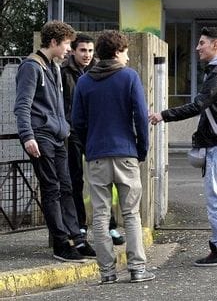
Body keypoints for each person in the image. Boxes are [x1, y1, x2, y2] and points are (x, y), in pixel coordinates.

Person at [149, 26, 217, 267]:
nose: (197, 47)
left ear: (215, 45)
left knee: (216, 196)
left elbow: (198, 105)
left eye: (202, 43)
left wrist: (162, 115)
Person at [72, 30, 154, 284]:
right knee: (130, 213)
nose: (128, 56)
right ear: (117, 52)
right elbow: (141, 117)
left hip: (96, 155)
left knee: (99, 214)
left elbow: (77, 122)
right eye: (126, 51)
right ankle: (137, 268)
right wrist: (141, 149)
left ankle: (106, 272)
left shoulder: (85, 81)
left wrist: (89, 148)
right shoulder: (129, 77)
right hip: (126, 152)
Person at [13, 20, 96, 263]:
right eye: (67, 44)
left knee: (67, 187)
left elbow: (59, 106)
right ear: (53, 43)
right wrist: (27, 136)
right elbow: (22, 106)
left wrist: (66, 129)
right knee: (52, 188)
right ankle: (61, 244)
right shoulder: (31, 67)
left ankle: (76, 239)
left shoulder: (55, 67)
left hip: (60, 136)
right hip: (41, 136)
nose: (69, 49)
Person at [61, 33, 125, 245]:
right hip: (72, 133)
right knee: (74, 180)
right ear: (73, 51)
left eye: (90, 50)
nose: (87, 55)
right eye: (83, 50)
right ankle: (79, 225)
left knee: (104, 181)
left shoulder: (98, 71)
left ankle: (111, 226)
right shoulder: (62, 72)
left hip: (94, 132)